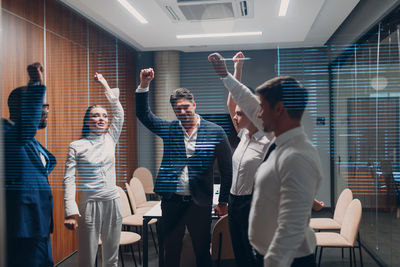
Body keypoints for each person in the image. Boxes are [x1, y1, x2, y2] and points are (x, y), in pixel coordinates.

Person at [209, 52, 323, 267]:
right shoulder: (284, 140)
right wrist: (226, 74)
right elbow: (246, 102)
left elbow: (292, 224)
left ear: (279, 110)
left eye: (262, 109)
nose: (258, 115)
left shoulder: (296, 154)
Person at [135, 68, 232, 267]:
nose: (182, 111)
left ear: (194, 105)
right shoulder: (170, 129)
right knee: (170, 251)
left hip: (200, 202)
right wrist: (144, 85)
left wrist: (223, 201)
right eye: (177, 108)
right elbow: (143, 115)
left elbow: (226, 169)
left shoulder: (215, 131)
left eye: (185, 107)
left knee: (202, 251)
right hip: (172, 202)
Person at [63, 73, 124, 267]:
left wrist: (104, 83)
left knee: (111, 256)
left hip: (113, 201)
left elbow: (119, 113)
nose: (101, 119)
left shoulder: (110, 138)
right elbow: (69, 180)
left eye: (104, 116)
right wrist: (70, 211)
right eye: (96, 115)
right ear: (87, 121)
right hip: (89, 204)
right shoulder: (76, 145)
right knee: (87, 257)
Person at [3, 62, 57, 267]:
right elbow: (24, 131)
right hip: (21, 225)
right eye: (41, 106)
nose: (45, 112)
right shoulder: (6, 132)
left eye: (46, 107)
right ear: (20, 106)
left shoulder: (32, 141)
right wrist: (36, 84)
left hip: (39, 223)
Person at [226, 52, 270, 267]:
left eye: (241, 113)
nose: (235, 116)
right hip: (234, 201)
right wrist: (238, 70)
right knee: (239, 250)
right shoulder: (243, 134)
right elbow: (231, 104)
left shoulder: (267, 140)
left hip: (253, 202)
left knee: (257, 252)